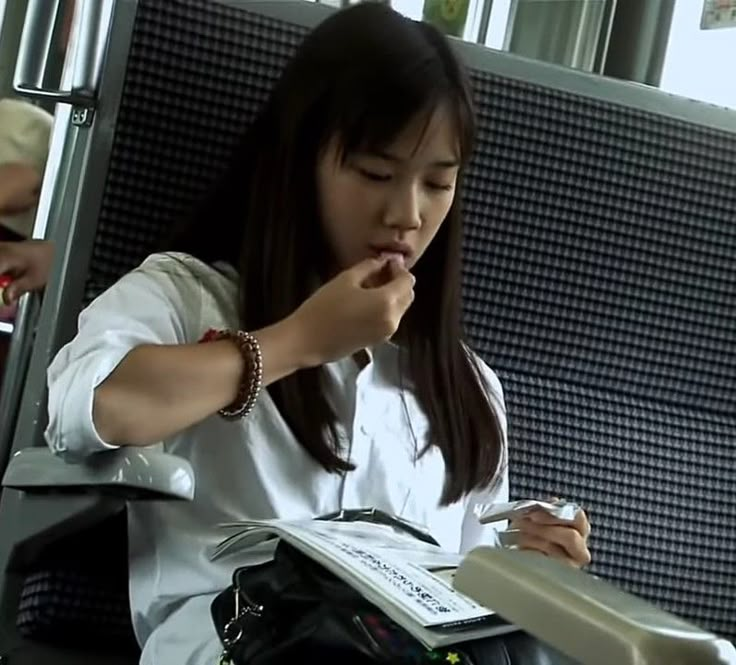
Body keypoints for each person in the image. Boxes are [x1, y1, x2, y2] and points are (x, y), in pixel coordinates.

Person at [45, 5, 591, 665]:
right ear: (303, 160)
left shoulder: (466, 387)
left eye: (438, 183)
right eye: (374, 173)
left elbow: (466, 591)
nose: (407, 214)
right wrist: (296, 341)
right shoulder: (187, 297)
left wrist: (532, 574)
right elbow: (97, 407)